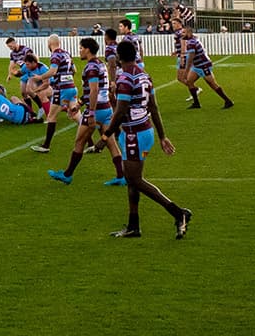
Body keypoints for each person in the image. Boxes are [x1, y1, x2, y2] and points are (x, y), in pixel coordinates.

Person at [101, 40, 189, 239]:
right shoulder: (144, 75)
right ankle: (134, 225)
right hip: (144, 131)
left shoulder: (125, 79)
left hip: (134, 134)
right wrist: (162, 136)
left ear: (119, 57)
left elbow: (121, 110)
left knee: (134, 179)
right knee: (132, 180)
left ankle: (177, 212)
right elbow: (154, 107)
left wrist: (106, 135)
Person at [50, 37, 126, 186]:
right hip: (106, 108)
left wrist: (90, 112)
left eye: (81, 48)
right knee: (111, 143)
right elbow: (94, 91)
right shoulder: (100, 64)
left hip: (96, 111)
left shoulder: (91, 67)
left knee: (79, 141)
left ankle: (67, 175)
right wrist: (78, 104)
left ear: (87, 49)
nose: (79, 51)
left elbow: (94, 90)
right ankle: (121, 176)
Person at [31, 35, 80, 153]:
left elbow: (53, 71)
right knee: (77, 116)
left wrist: (40, 77)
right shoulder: (66, 53)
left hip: (61, 90)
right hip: (72, 87)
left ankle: (46, 146)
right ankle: (90, 143)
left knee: (51, 117)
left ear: (50, 44)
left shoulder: (55, 55)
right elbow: (74, 70)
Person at [176, 25, 234, 110]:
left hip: (203, 65)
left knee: (212, 84)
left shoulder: (191, 43)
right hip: (198, 65)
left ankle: (228, 101)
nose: (181, 34)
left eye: (184, 32)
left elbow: (191, 58)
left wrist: (186, 70)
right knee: (189, 81)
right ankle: (196, 103)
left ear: (188, 33)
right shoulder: (193, 40)